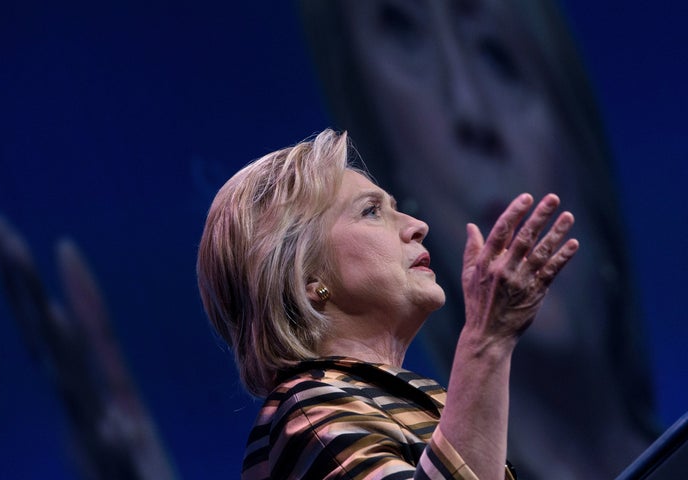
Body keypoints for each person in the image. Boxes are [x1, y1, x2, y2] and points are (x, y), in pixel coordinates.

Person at [298, 1, 658, 477]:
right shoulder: (315, 419)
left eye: (497, 55)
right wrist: (488, 341)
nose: (470, 107)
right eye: (370, 212)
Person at [196, 129, 578, 479]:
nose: (416, 225)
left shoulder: (401, 399)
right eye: (371, 211)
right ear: (309, 279)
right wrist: (487, 341)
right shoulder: (311, 411)